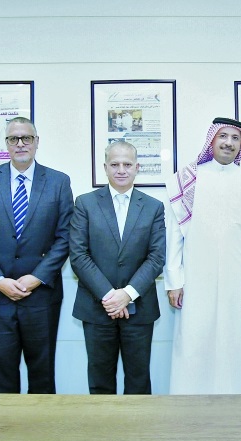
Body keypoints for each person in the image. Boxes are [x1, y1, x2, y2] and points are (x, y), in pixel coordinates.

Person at [0, 117, 73, 394]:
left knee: (42, 374)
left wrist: (36, 278)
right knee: (2, 375)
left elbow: (65, 237)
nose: (21, 144)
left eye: (27, 138)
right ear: (6, 144)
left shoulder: (59, 182)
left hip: (41, 296)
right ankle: (4, 424)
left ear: (37, 142)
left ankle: (40, 424)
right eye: (14, 138)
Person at [164, 117, 241, 394]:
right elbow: (174, 236)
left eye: (235, 138)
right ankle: (188, 404)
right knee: (194, 341)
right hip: (195, 279)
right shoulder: (188, 178)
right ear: (212, 139)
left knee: (235, 344)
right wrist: (174, 281)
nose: (228, 143)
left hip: (239, 281)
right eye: (223, 136)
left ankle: (235, 404)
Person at [70, 141, 165, 394]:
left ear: (137, 168)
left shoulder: (154, 207)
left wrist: (127, 294)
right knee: (100, 382)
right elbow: (78, 255)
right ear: (105, 167)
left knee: (138, 382)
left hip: (140, 308)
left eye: (127, 164)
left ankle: (137, 424)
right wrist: (110, 296)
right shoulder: (85, 203)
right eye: (114, 164)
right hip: (96, 308)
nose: (121, 170)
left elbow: (156, 257)